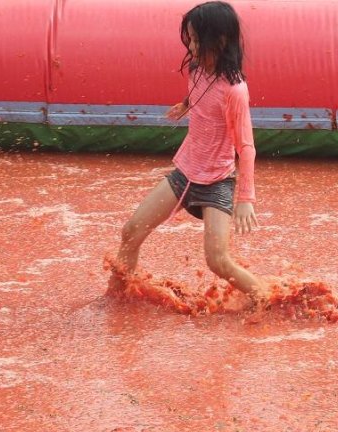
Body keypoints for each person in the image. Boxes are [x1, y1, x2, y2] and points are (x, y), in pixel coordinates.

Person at [112, 1, 263, 301]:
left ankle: (267, 299)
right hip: (184, 173)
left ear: (219, 40)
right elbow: (200, 91)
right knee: (130, 233)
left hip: (217, 181)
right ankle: (116, 300)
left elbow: (246, 147)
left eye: (196, 39)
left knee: (217, 261)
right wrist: (185, 104)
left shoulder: (235, 91)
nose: (191, 46)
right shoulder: (195, 70)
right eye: (189, 38)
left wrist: (245, 199)